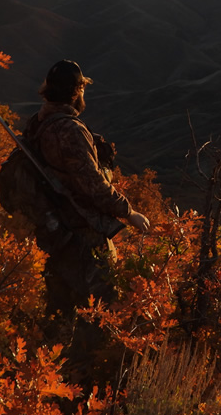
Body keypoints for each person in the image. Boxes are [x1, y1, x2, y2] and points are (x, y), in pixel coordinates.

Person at [24, 59, 150, 319]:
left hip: (56, 229)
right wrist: (129, 213)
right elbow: (93, 185)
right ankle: (91, 354)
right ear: (76, 91)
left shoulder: (38, 123)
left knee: (61, 308)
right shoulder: (69, 130)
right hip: (81, 231)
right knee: (99, 308)